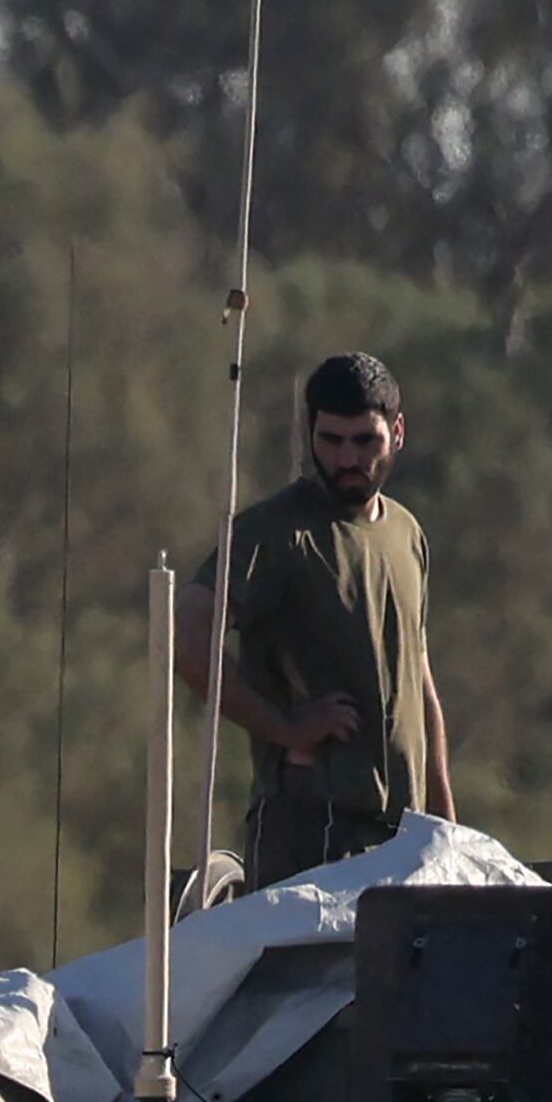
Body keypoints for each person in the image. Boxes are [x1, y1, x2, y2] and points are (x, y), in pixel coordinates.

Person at [175, 352, 454, 888]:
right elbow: (188, 634)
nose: (348, 458)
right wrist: (284, 728)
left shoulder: (406, 533)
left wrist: (443, 819)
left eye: (365, 441)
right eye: (331, 440)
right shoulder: (276, 533)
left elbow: (419, 680)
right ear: (311, 435)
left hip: (403, 833)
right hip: (313, 826)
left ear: (396, 432)